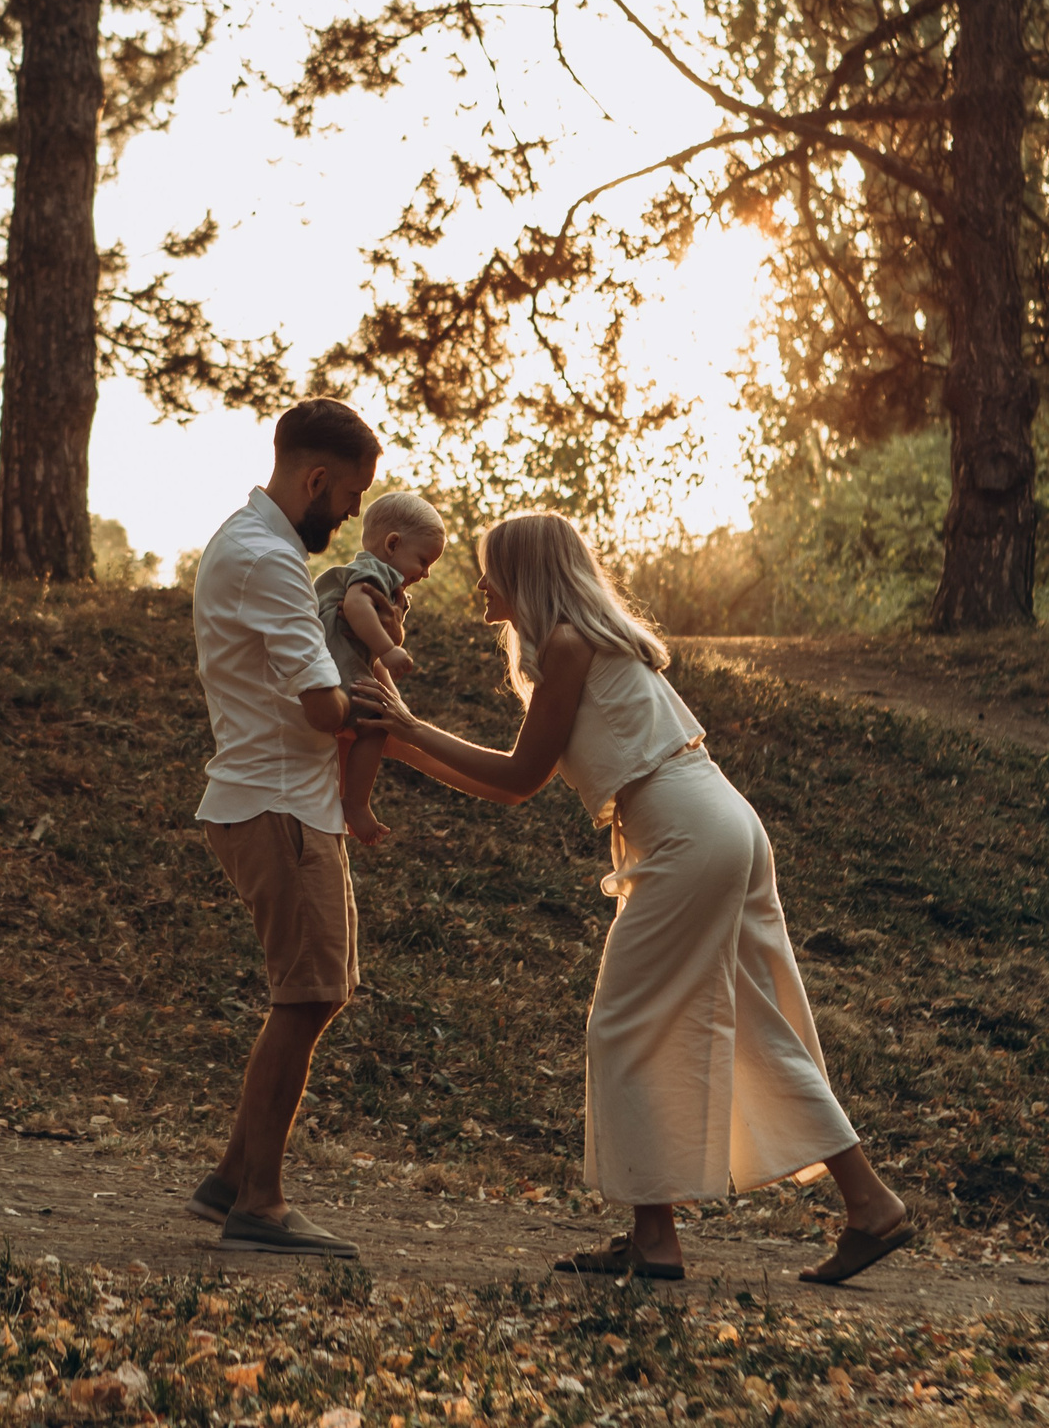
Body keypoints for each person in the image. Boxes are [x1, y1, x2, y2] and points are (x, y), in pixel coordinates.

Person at [357, 511, 916, 1285]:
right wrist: (404, 742)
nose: (479, 583)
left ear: (527, 575)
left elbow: (519, 774)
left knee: (622, 1026)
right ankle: (871, 1204)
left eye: (490, 568)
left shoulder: (566, 645)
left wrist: (411, 729)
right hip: (718, 822)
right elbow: (519, 786)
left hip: (685, 834)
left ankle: (655, 1240)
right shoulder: (587, 642)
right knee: (757, 1022)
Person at [183, 398, 382, 1258]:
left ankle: (232, 1174)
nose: (351, 516)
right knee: (305, 995)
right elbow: (318, 702)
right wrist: (364, 705)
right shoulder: (267, 561)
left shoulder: (242, 542)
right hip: (280, 804)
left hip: (280, 798)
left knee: (315, 991)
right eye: (349, 495)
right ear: (315, 478)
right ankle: (259, 1203)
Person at [313, 491, 446, 846]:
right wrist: (388, 650)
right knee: (375, 727)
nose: (427, 573)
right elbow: (356, 606)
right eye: (423, 560)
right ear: (392, 544)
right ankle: (354, 803)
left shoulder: (387, 582)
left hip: (337, 670)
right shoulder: (374, 571)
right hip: (338, 668)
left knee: (367, 728)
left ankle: (345, 797)